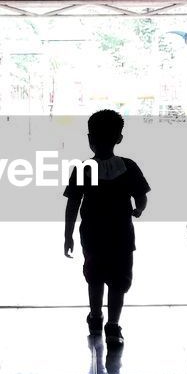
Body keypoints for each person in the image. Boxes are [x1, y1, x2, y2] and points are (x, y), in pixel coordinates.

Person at [63, 109, 149, 344]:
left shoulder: (83, 168)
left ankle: (96, 316)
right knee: (118, 281)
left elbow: (73, 204)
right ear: (119, 138)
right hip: (121, 234)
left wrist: (68, 234)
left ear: (90, 139)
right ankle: (113, 324)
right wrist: (139, 209)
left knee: (96, 277)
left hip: (93, 234)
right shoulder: (129, 167)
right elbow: (140, 195)